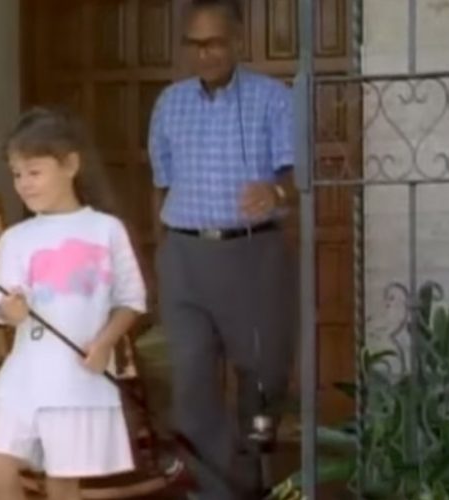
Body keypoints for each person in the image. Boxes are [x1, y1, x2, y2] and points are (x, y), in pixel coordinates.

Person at [147, 0, 297, 498]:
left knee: (264, 373)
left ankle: (254, 470)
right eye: (193, 43)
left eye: (213, 42)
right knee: (191, 380)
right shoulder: (170, 103)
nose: (203, 53)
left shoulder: (273, 99)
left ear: (237, 42)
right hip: (186, 256)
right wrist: (161, 249)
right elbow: (161, 183)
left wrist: (273, 193)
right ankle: (212, 490)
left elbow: (298, 179)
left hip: (253, 254)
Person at [0, 107, 147, 500]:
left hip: (78, 379)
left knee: (63, 481)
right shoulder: (15, 239)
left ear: (70, 164)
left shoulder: (107, 229)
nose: (24, 184)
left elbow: (131, 300)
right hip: (23, 377)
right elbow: (0, 305)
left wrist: (105, 342)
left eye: (34, 172)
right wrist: (11, 310)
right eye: (17, 174)